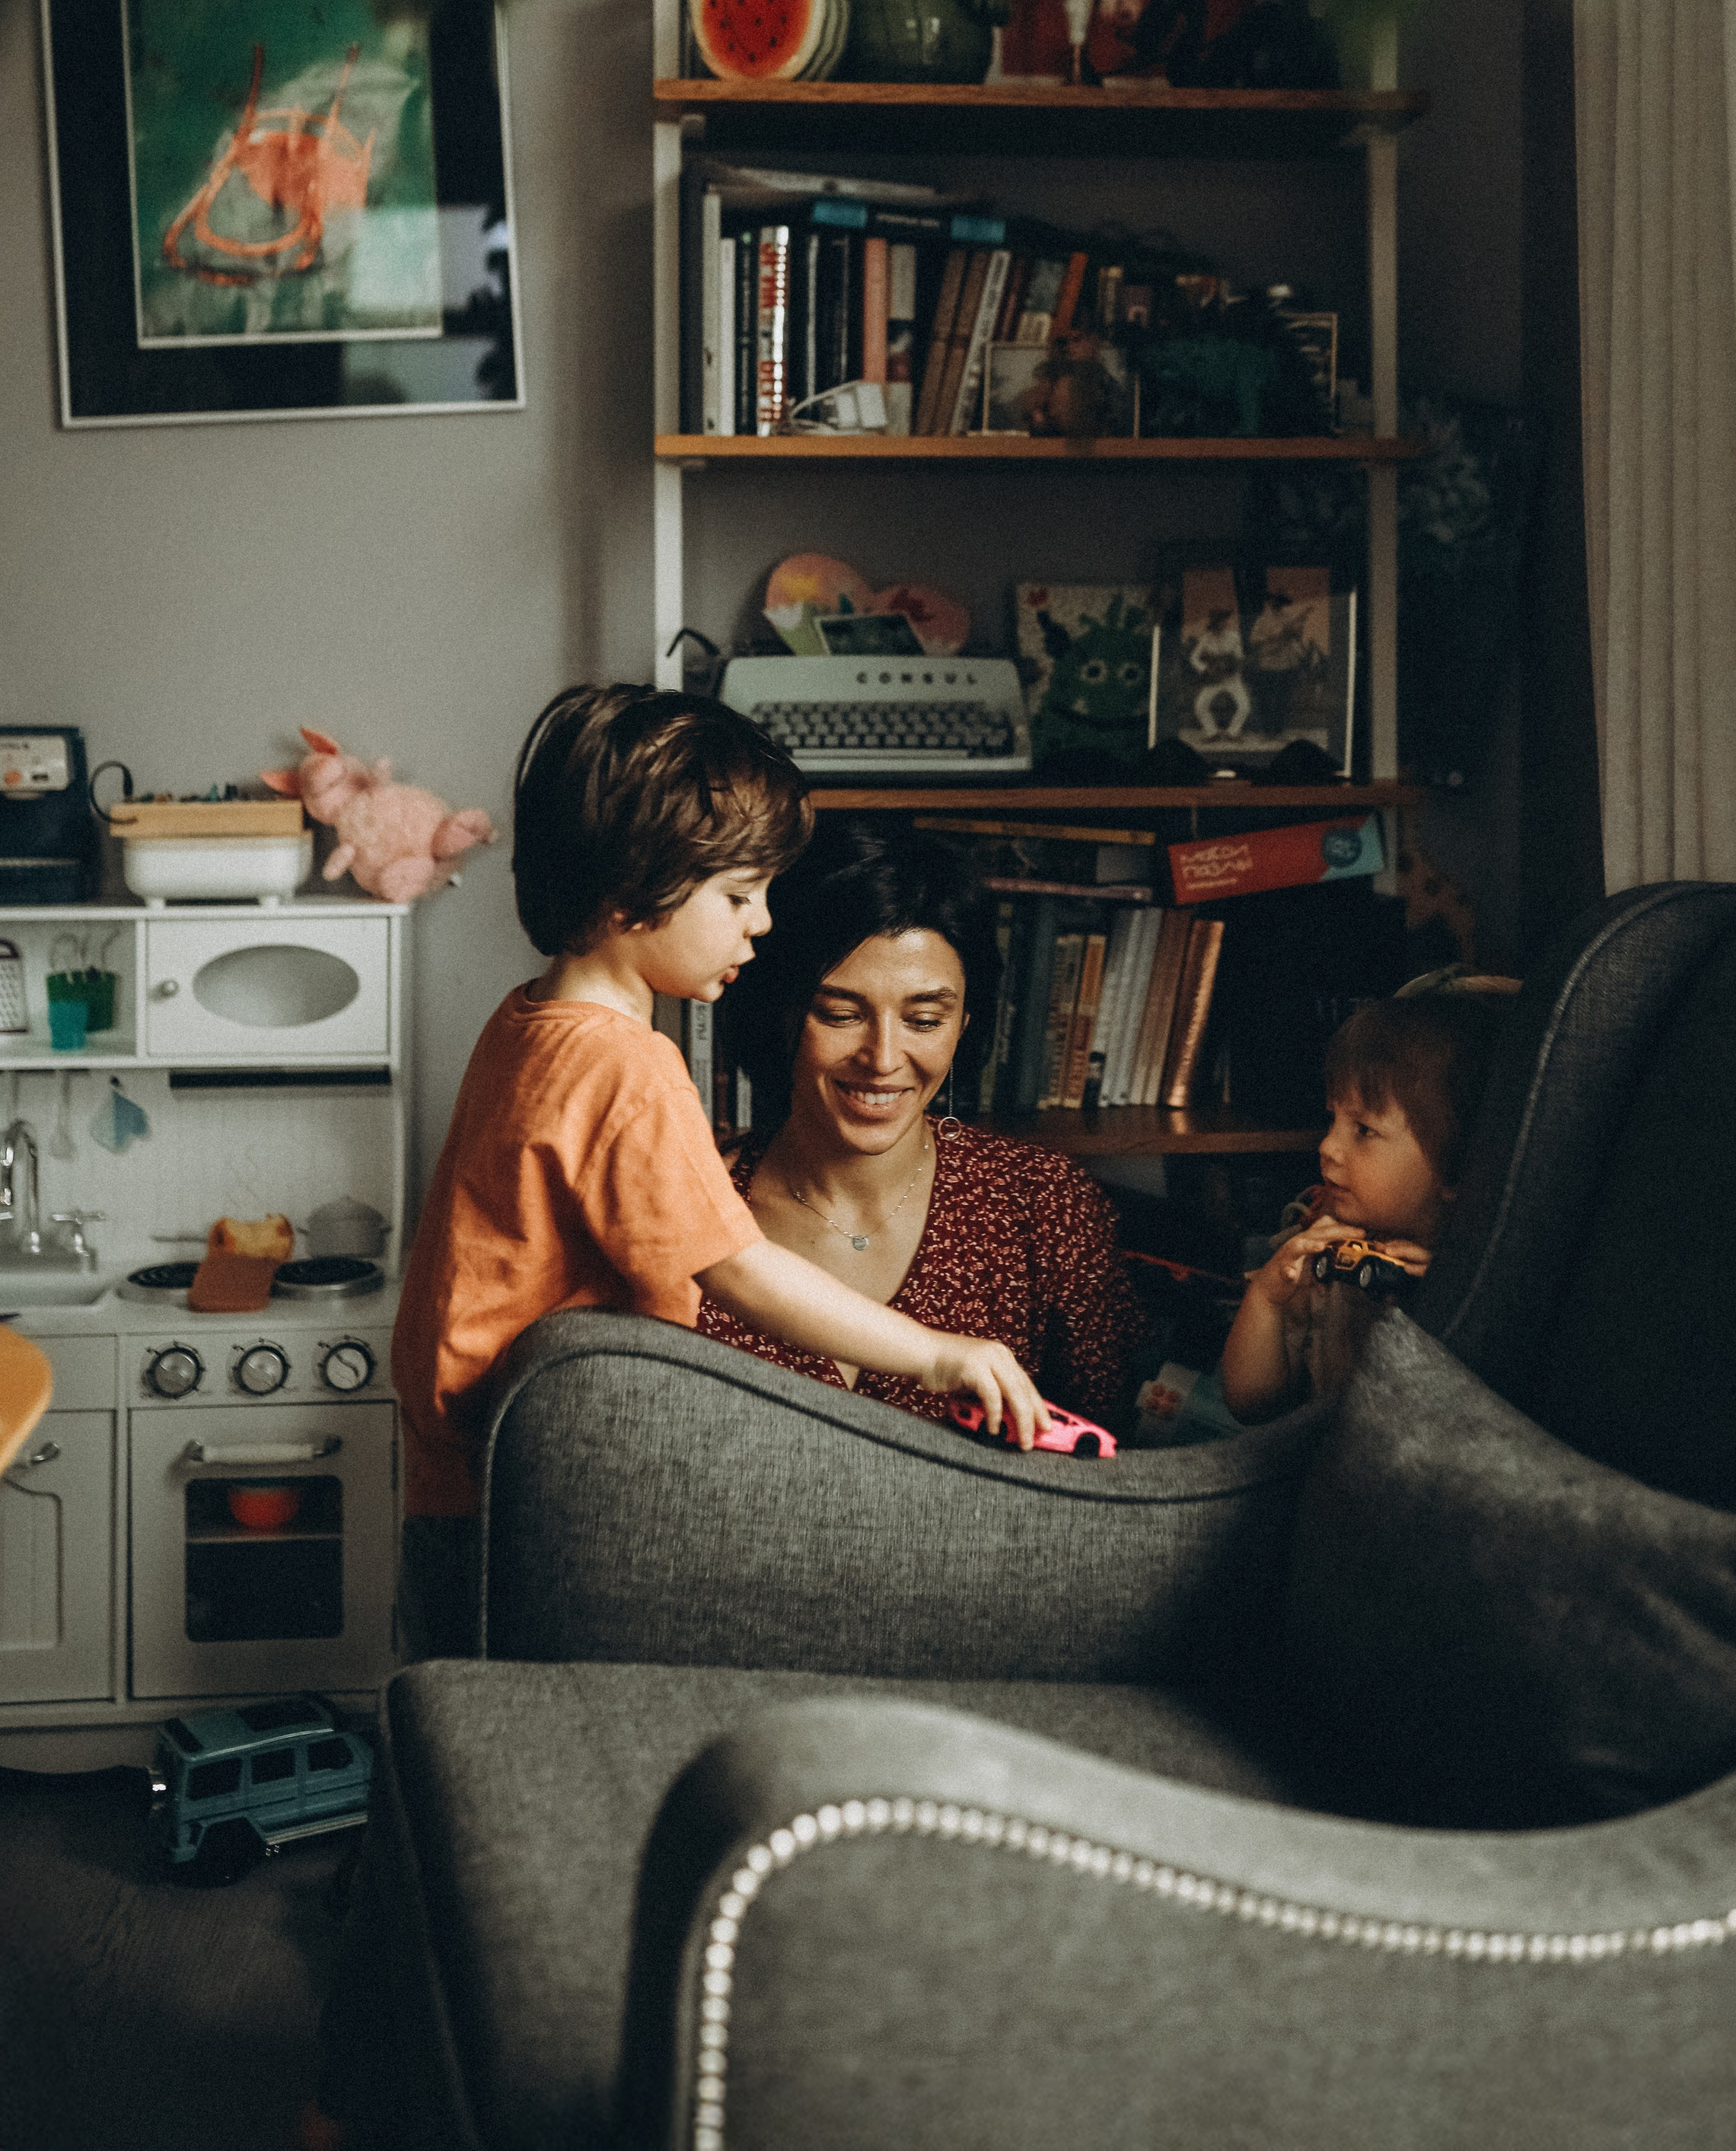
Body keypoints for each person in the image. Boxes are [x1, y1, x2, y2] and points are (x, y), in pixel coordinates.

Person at [389, 688, 1050, 1661]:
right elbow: (738, 1265)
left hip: (455, 1482)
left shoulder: (525, 1021)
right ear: (632, 890)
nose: (763, 924)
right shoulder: (625, 1065)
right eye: (738, 895)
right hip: (532, 1490)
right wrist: (939, 1354)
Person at [700, 817, 1144, 1427]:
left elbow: (1114, 1469)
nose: (883, 1060)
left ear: (966, 1023)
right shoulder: (695, 1209)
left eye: (925, 1020)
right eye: (839, 1014)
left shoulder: (1044, 1206)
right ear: (780, 1013)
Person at [1219, 982, 1514, 1423]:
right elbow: (1251, 1404)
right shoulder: (1321, 1249)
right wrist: (1266, 1298)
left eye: (1363, 1130)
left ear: (1456, 1162)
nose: (1328, 1147)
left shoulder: (1488, 1280)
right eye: (1332, 1119)